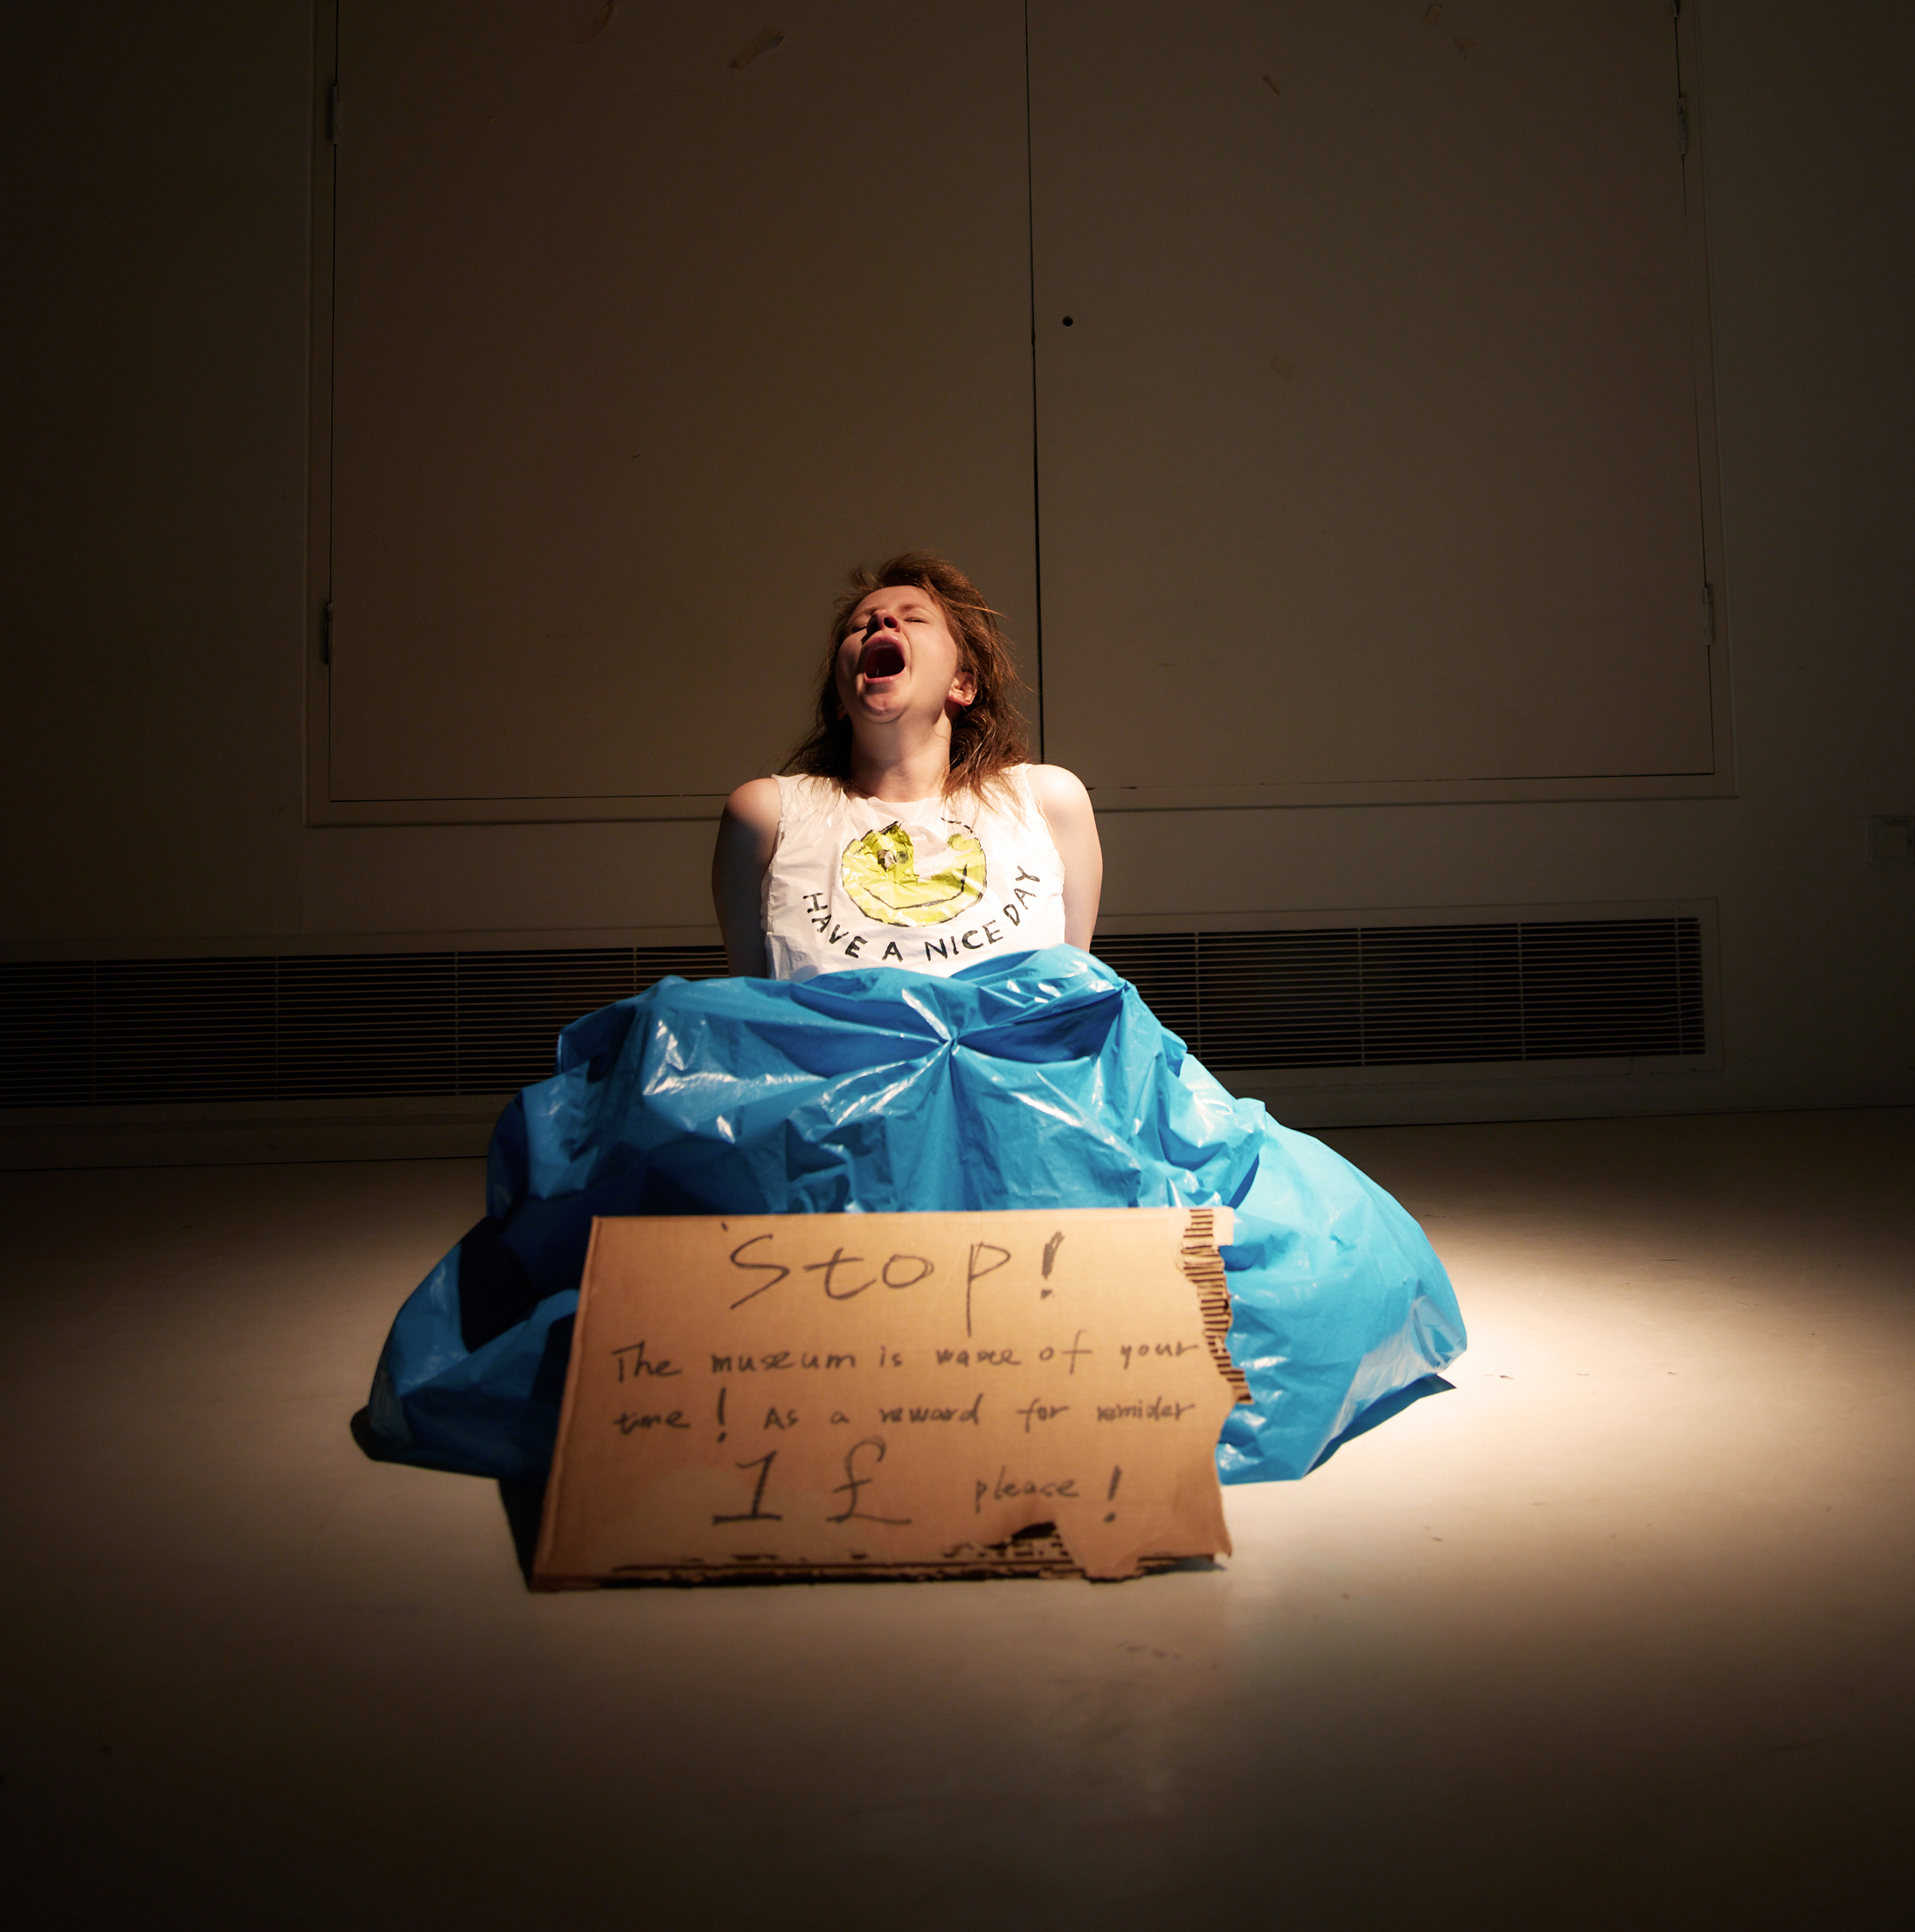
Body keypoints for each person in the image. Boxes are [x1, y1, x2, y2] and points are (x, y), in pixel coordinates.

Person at [362, 552, 1465, 1487]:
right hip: (840, 1125)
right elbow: (759, 1009)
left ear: (963, 680)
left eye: (905, 618)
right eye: (858, 624)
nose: (873, 628)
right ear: (843, 678)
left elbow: (1068, 987)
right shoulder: (770, 811)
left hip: (1026, 1125)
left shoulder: (1044, 799)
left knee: (1299, 1255)